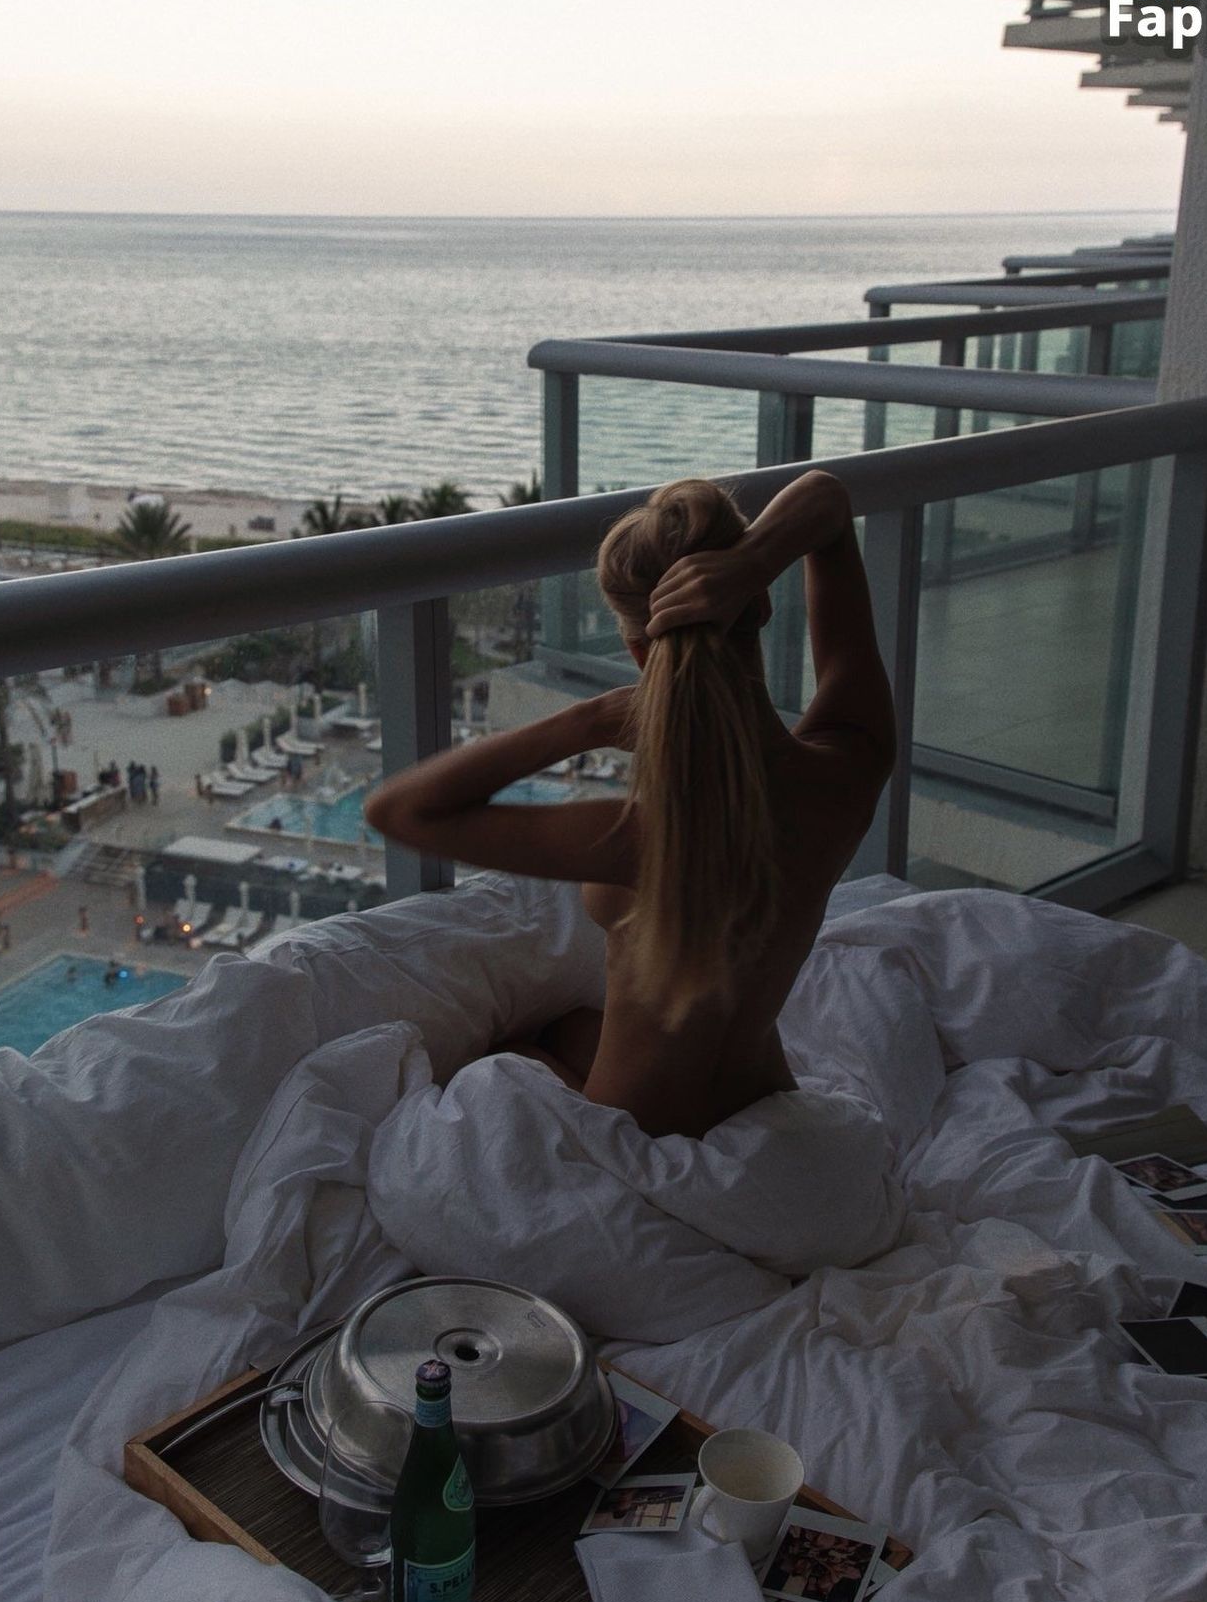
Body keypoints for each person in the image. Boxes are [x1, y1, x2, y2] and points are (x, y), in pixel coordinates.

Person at [365, 471, 895, 1139]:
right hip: (763, 1103)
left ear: (638, 651)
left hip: (640, 1139)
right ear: (760, 605)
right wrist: (755, 560)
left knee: (499, 1056)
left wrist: (588, 720)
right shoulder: (848, 764)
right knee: (565, 1031)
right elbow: (829, 499)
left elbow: (398, 810)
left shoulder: (644, 838)